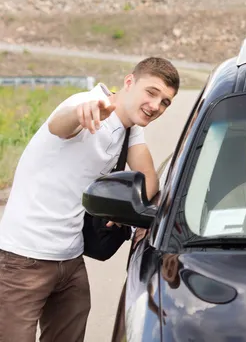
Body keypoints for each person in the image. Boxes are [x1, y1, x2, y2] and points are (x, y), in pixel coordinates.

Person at [0, 57, 179, 342]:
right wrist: (82, 112)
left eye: (165, 102)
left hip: (70, 259)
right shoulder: (88, 103)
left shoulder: (131, 126)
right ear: (129, 82)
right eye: (151, 92)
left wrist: (123, 208)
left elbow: (148, 179)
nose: (156, 106)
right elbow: (61, 124)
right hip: (24, 259)